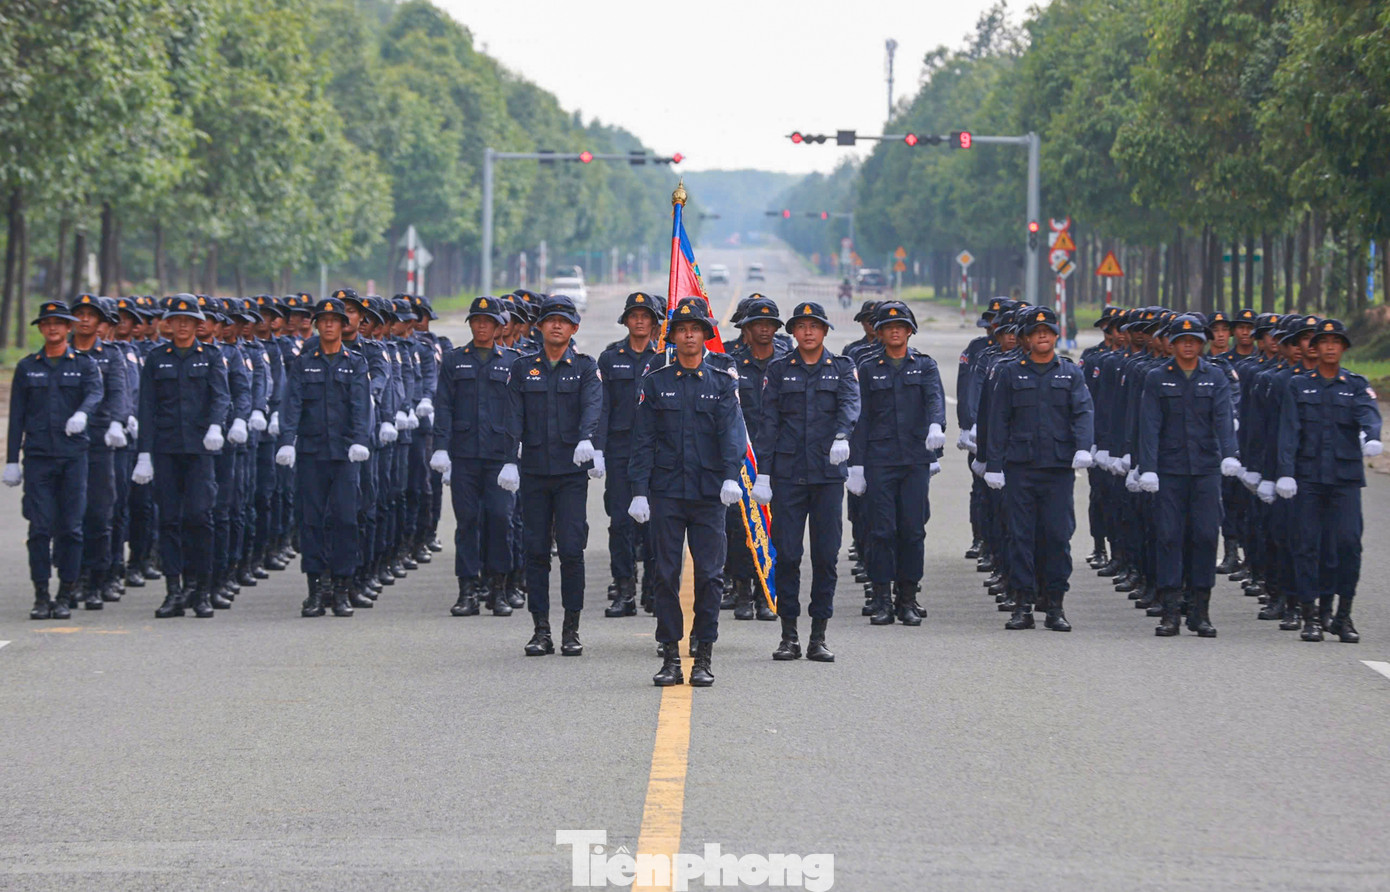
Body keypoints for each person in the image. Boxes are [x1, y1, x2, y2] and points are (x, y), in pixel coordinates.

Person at [630, 297, 748, 686]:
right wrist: (638, 491)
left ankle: (703, 655)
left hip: (709, 493)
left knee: (710, 576)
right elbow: (643, 440)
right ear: (673, 337)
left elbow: (732, 434)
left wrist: (731, 476)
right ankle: (669, 656)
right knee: (665, 575)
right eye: (681, 330)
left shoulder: (722, 382)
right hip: (666, 492)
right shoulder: (656, 383)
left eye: (695, 329)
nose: (688, 336)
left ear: (705, 335)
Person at [754, 301, 860, 661]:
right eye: (801, 326)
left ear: (825, 330)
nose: (808, 332)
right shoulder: (779, 369)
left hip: (827, 475)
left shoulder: (842, 367)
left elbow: (850, 404)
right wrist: (763, 473)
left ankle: (818, 636)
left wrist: (843, 435)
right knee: (787, 556)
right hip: (788, 476)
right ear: (793, 333)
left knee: (826, 557)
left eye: (814, 326)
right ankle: (788, 635)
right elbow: (768, 423)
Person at [984, 306, 1093, 631]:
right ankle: (1022, 604)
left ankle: (1055, 604)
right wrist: (993, 465)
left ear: (1056, 336)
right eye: (1036, 332)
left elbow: (1083, 412)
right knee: (1021, 537)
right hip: (1020, 468)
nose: (1043, 336)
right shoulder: (1011, 373)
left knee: (1057, 537)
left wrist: (1084, 447)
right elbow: (999, 420)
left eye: (1048, 332)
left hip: (1058, 469)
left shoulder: (1070, 373)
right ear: (1026, 339)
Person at [504, 295, 602, 657]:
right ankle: (540, 630)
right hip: (534, 470)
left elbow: (593, 404)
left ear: (574, 327)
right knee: (535, 551)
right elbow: (513, 414)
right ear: (540, 327)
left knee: (572, 550)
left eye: (563, 320)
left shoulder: (586, 367)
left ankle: (571, 630)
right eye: (550, 320)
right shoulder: (522, 368)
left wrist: (587, 438)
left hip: (571, 471)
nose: (556, 325)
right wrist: (509, 459)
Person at [1275, 319, 1382, 643]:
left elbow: (1368, 412)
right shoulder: (1298, 385)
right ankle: (1310, 615)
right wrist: (1285, 471)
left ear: (1344, 348)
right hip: (1308, 478)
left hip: (1344, 479)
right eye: (1324, 342)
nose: (1330, 347)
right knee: (1307, 545)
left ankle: (1341, 614)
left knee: (1348, 544)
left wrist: (1372, 436)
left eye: (1336, 342)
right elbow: (1289, 430)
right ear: (1315, 348)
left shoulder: (1355, 384)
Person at [1136, 314, 1241, 637]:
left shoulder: (1215, 377)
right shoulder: (1157, 378)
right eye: (1182, 341)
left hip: (1205, 470)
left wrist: (1230, 454)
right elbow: (1149, 426)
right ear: (1172, 344)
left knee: (1206, 536)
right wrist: (1148, 468)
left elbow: (1223, 418)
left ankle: (1200, 609)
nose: (1188, 346)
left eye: (1194, 341)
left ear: (1202, 344)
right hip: (1169, 471)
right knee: (1169, 536)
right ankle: (1170, 610)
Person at [846, 300, 946, 626]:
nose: (894, 332)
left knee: (913, 530)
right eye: (888, 327)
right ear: (879, 332)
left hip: (915, 460)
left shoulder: (924, 365)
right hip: (880, 460)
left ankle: (908, 597)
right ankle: (881, 598)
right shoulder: (867, 367)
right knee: (881, 531)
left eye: (900, 327)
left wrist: (936, 425)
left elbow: (934, 398)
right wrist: (856, 465)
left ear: (909, 331)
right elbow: (860, 417)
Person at [5, 300, 104, 619]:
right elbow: (17, 416)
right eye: (46, 324)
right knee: (39, 529)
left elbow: (95, 393)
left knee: (71, 529)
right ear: (41, 329)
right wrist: (11, 460)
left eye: (58, 323)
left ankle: (65, 593)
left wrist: (82, 413)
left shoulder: (84, 364)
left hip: (73, 456)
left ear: (68, 327)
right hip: (38, 458)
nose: (52, 328)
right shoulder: (27, 367)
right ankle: (41, 595)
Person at [276, 296, 373, 618]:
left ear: (343, 326)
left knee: (345, 520)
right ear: (317, 325)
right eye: (324, 320)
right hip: (312, 452)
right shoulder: (304, 363)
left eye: (335, 320)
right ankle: (316, 589)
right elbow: (292, 404)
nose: (329, 325)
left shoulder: (355, 362)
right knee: (311, 521)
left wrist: (360, 440)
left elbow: (361, 404)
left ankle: (342, 588)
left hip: (345, 454)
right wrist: (287, 441)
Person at [135, 295, 231, 619]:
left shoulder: (211, 356)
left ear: (197, 324)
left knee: (200, 518)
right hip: (166, 449)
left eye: (188, 320)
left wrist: (216, 425)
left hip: (200, 449)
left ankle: (201, 589)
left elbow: (221, 397)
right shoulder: (156, 358)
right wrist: (144, 454)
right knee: (169, 520)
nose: (182, 325)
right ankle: (174, 590)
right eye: (177, 320)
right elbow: (146, 408)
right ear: (169, 324)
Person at [432, 296, 521, 616]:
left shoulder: (512, 362)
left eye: (488, 322)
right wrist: (440, 447)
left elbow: (519, 410)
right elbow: (444, 405)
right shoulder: (454, 360)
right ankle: (467, 590)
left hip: (499, 456)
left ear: (499, 327)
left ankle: (498, 588)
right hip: (465, 454)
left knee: (500, 519)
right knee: (467, 522)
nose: (482, 326)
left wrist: (517, 452)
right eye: (477, 321)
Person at [598, 291, 661, 617]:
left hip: (656, 453)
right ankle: (624, 589)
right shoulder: (611, 358)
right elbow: (602, 407)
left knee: (654, 525)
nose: (639, 321)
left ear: (653, 322)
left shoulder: (664, 358)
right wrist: (597, 447)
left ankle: (652, 587)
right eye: (634, 316)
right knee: (621, 522)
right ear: (626, 321)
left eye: (645, 316)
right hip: (620, 451)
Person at [69, 294, 132, 609]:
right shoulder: (59, 352)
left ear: (100, 322)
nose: (84, 319)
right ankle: (73, 577)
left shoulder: (111, 355)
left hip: (101, 441)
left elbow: (119, 393)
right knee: (70, 516)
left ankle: (100, 577)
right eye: (78, 314)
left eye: (90, 315)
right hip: (67, 443)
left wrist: (117, 422)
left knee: (100, 513)